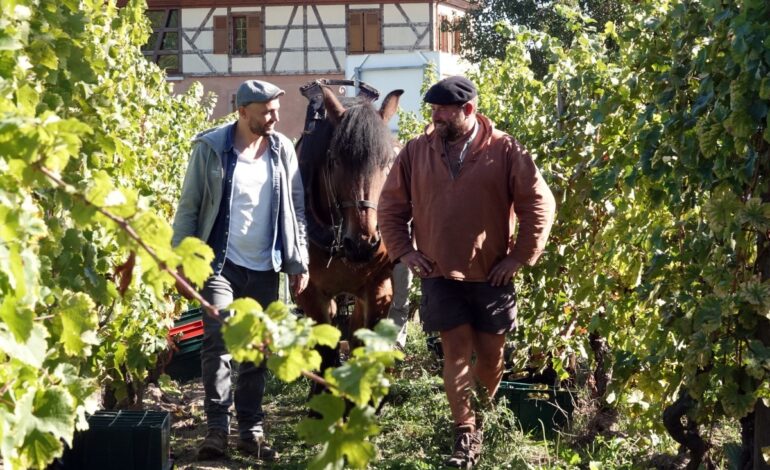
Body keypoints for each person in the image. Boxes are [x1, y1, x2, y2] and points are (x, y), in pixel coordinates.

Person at [378, 76, 555, 468]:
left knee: (492, 357)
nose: (435, 117)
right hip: (439, 272)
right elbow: (390, 209)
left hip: (493, 274)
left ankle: (480, 416)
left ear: (468, 111)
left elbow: (539, 205)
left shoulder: (505, 149)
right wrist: (406, 252)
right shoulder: (415, 152)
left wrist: (519, 257)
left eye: (443, 111)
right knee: (455, 353)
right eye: (433, 110)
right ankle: (466, 433)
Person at [171, 79, 309, 461]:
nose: (275, 117)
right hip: (219, 263)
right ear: (243, 112)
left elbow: (295, 209)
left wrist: (299, 261)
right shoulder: (211, 148)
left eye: (276, 110)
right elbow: (189, 207)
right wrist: (181, 261)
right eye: (267, 111)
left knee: (255, 350)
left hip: (266, 266)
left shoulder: (282, 150)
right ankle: (217, 430)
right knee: (218, 344)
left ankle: (251, 430)